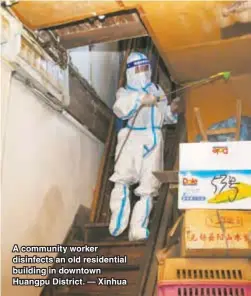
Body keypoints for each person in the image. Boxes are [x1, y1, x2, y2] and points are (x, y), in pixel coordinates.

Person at [109, 52, 180, 241]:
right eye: (138, 68)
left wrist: (172, 109)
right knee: (122, 179)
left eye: (145, 68)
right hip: (131, 138)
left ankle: (138, 229)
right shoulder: (124, 92)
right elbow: (120, 109)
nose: (143, 72)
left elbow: (165, 116)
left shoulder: (157, 91)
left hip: (154, 139)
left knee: (149, 186)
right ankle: (118, 223)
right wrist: (140, 100)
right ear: (131, 71)